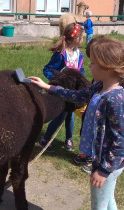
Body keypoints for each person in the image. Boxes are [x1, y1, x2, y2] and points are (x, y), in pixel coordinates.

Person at [29, 36, 124, 209]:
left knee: (99, 205)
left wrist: (103, 170)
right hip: (104, 160)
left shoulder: (114, 100)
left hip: (106, 163)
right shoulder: (99, 87)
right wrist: (49, 87)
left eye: (93, 63)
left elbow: (123, 141)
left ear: (108, 68)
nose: (89, 66)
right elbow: (77, 95)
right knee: (108, 200)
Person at [39, 22, 85, 152]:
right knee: (60, 115)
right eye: (81, 37)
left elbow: (80, 69)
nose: (83, 40)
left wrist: (80, 78)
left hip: (74, 90)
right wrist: (57, 80)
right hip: (62, 91)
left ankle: (68, 139)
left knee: (70, 115)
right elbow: (47, 69)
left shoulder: (78, 54)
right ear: (76, 39)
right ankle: (45, 140)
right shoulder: (60, 54)